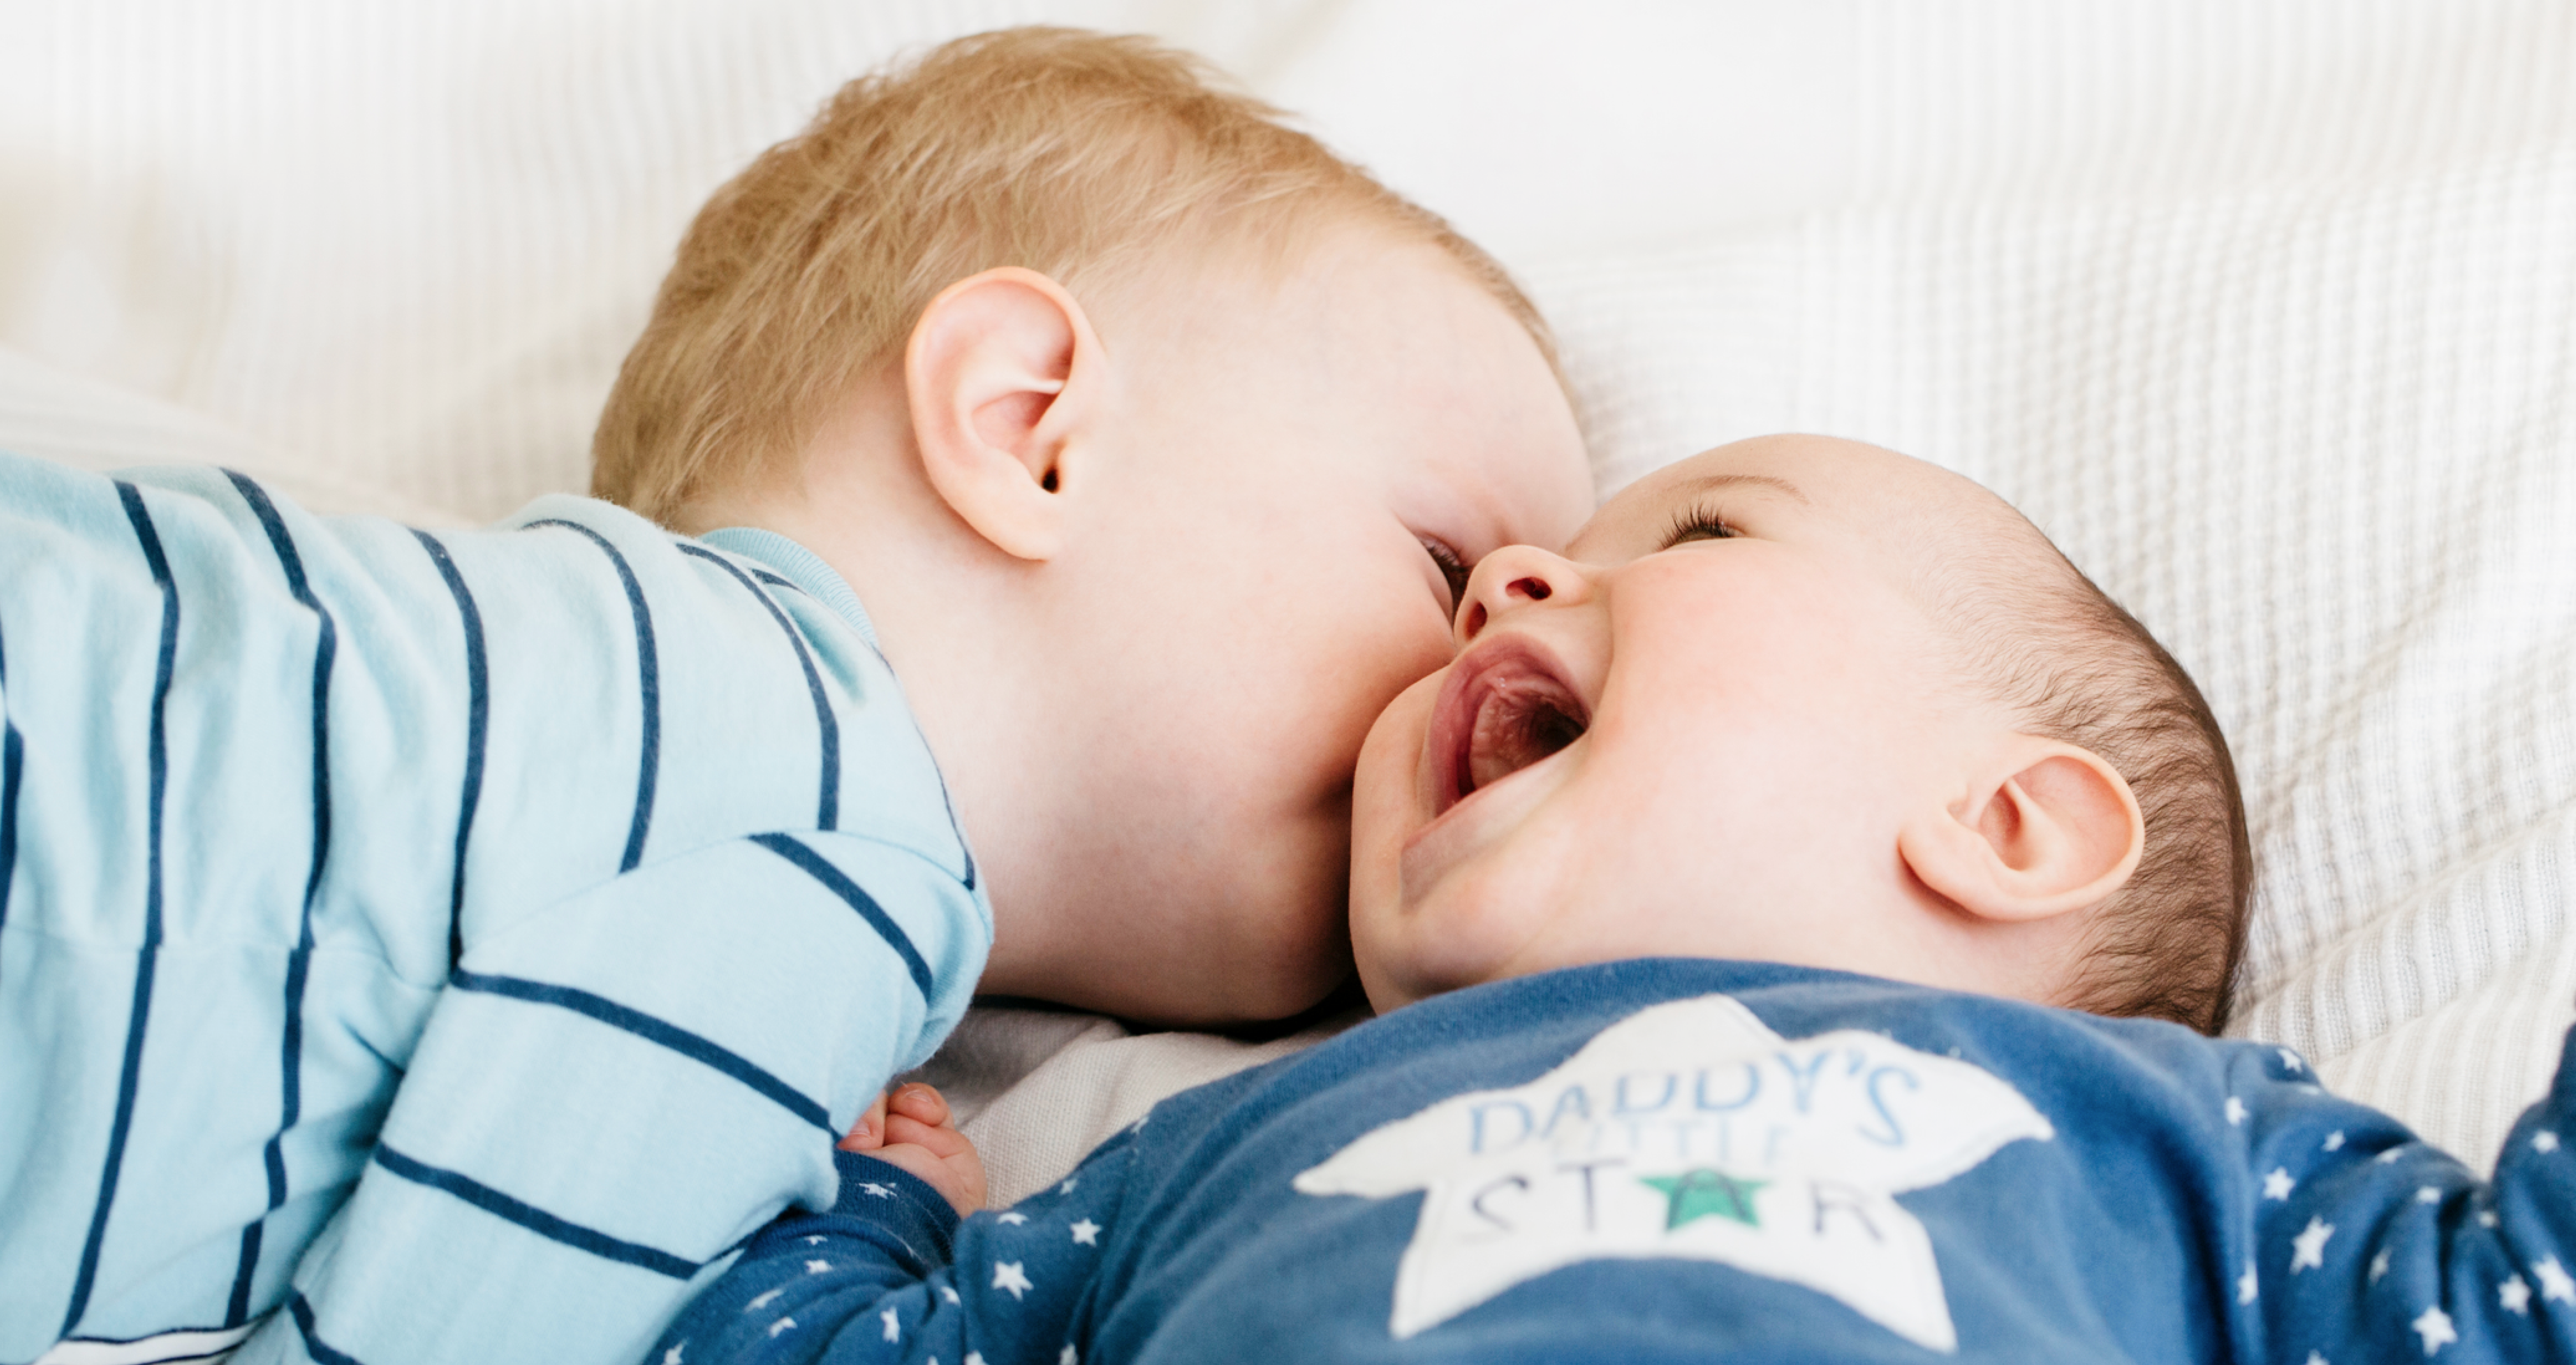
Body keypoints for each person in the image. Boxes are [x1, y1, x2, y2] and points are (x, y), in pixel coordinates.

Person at [0, 29, 1588, 1365]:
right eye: (1444, 560)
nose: (1483, 669)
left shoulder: (589, 701)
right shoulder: (834, 814)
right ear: (1031, 426)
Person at [654, 437, 2575, 1363]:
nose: (1498, 586)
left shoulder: (2175, 1149)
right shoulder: (1207, 1149)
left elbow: (2511, 1309)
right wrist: (867, 1214)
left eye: (1709, 530)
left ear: (2008, 827)